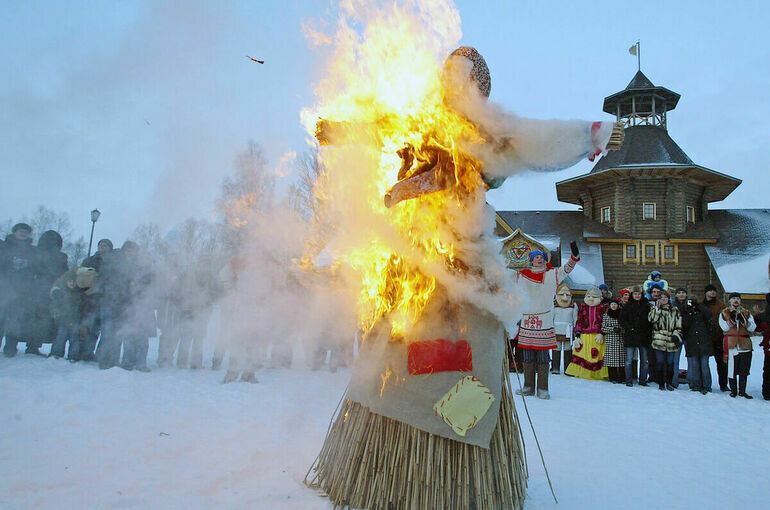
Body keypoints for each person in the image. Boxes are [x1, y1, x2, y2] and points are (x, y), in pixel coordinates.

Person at [512, 243, 580, 399]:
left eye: (542, 257)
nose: (539, 260)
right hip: (528, 320)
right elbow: (504, 276)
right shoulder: (522, 276)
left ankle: (543, 388)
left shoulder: (552, 275)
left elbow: (566, 269)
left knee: (543, 357)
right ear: (531, 261)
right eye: (536, 257)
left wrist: (574, 257)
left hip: (544, 321)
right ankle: (528, 386)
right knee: (527, 356)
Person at [1, 223, 40, 356]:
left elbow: (36, 269)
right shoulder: (4, 246)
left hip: (21, 291)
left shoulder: (32, 251)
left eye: (26, 232)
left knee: (15, 321)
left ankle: (11, 347)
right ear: (14, 232)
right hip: (3, 289)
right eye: (20, 231)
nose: (23, 233)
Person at [32, 230, 69, 353]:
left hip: (54, 291)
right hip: (38, 290)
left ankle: (37, 345)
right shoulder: (37, 254)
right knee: (37, 318)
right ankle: (33, 345)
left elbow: (64, 274)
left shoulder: (61, 257)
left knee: (47, 319)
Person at [718, 292, 756, 398]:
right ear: (729, 300)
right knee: (732, 369)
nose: (736, 301)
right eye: (733, 298)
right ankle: (733, 390)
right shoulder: (724, 313)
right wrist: (732, 320)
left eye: (738, 299)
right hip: (731, 344)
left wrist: (743, 320)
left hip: (745, 344)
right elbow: (724, 328)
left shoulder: (747, 313)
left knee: (744, 369)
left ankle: (742, 391)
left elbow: (752, 328)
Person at [565, 286, 609, 380]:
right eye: (589, 296)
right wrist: (577, 335)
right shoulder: (583, 307)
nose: (591, 299)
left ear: (601, 298)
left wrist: (602, 333)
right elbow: (579, 321)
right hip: (584, 336)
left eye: (594, 297)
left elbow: (605, 322)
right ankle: (582, 372)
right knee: (583, 353)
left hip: (597, 336)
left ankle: (597, 374)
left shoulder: (603, 308)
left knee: (597, 355)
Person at [648, 289, 683, 391]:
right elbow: (651, 319)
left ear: (669, 299)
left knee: (670, 362)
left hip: (671, 339)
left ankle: (669, 382)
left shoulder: (674, 310)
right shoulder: (655, 309)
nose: (664, 300)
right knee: (660, 362)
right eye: (662, 298)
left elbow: (678, 324)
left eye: (665, 298)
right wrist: (657, 309)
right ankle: (661, 383)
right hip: (659, 339)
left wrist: (676, 334)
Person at [49, 268, 85, 360]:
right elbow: (56, 305)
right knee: (60, 337)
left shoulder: (79, 293)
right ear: (66, 282)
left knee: (74, 339)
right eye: (70, 281)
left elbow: (82, 307)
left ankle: (73, 356)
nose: (72, 283)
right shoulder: (61, 294)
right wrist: (56, 314)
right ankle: (57, 353)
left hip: (76, 320)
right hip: (63, 320)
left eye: (74, 281)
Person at [681, 296, 714, 394]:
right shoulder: (686, 312)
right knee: (694, 365)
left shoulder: (702, 311)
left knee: (704, 365)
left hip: (704, 341)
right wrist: (687, 311)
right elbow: (684, 324)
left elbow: (709, 317)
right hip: (692, 341)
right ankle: (696, 385)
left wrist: (700, 307)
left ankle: (707, 385)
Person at [621, 285, 650, 386]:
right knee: (628, 360)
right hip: (631, 336)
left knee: (644, 361)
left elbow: (650, 320)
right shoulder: (627, 306)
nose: (637, 296)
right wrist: (630, 328)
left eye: (639, 294)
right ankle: (628, 380)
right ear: (632, 295)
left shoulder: (647, 305)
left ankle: (643, 380)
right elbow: (622, 321)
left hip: (644, 336)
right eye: (635, 294)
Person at [703, 284, 728, 391]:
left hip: (718, 337)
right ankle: (704, 383)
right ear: (706, 293)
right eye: (710, 291)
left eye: (714, 291)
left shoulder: (722, 306)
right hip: (705, 338)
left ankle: (723, 384)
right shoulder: (701, 305)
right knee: (703, 363)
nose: (712, 292)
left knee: (721, 364)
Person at [552, 283, 577, 374]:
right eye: (561, 294)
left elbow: (575, 320)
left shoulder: (573, 307)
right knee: (556, 349)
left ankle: (568, 368)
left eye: (567, 295)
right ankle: (555, 367)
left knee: (568, 350)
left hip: (568, 332)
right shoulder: (553, 307)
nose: (565, 298)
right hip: (556, 332)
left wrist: (575, 330)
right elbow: (551, 319)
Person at [601, 299, 625, 383]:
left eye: (615, 304)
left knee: (621, 359)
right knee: (611, 360)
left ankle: (621, 377)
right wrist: (612, 329)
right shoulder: (606, 315)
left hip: (620, 339)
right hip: (611, 339)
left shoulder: (621, 314)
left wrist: (620, 329)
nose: (614, 306)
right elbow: (603, 328)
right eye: (612, 305)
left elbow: (625, 325)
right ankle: (612, 377)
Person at [670, 287, 689, 388]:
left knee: (690, 360)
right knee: (675, 359)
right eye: (679, 293)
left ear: (686, 295)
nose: (681, 294)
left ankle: (691, 380)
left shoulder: (690, 305)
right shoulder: (672, 305)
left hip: (688, 335)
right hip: (677, 335)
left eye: (683, 293)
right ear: (676, 295)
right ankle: (674, 381)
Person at [753, 293, 770, 400]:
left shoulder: (763, 315)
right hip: (768, 345)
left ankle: (767, 392)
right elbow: (756, 327)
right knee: (768, 369)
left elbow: (756, 327)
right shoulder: (763, 315)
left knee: (768, 370)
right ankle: (767, 393)